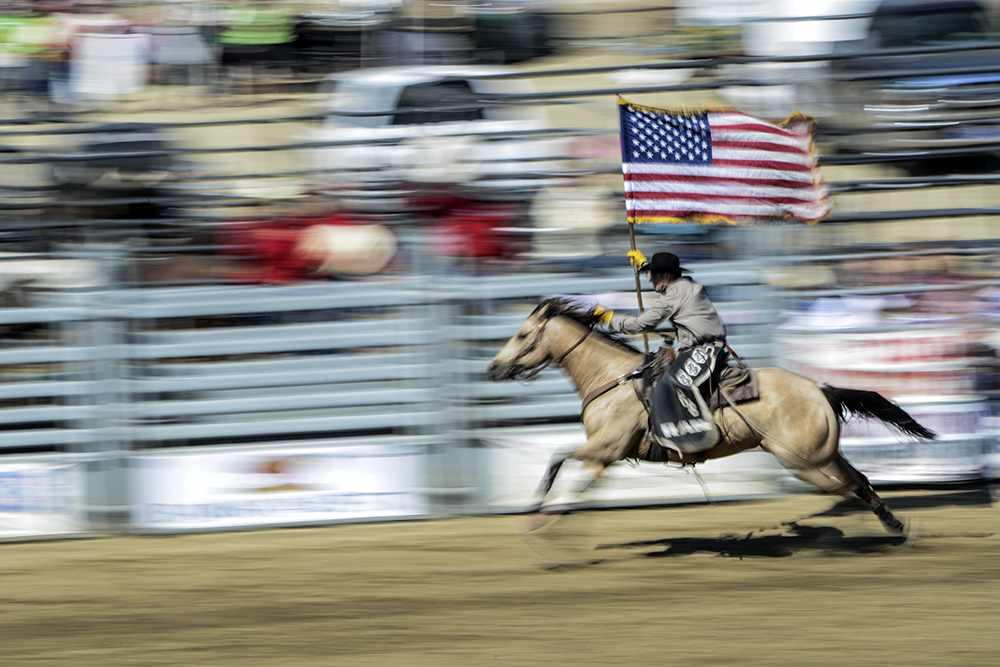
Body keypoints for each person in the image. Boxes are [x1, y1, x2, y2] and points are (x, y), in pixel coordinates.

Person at [593, 250, 729, 454]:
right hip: (706, 346)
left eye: (655, 275)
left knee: (672, 382)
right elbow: (663, 289)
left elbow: (642, 323)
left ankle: (693, 432)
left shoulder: (675, 293)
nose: (653, 281)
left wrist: (609, 318)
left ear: (667, 275)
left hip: (703, 349)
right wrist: (643, 266)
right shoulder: (685, 286)